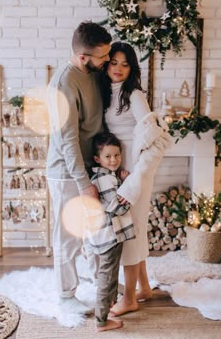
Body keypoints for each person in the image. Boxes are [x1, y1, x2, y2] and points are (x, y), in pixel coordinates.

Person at [100, 41, 172, 316]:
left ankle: (129, 297)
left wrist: (135, 180)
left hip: (136, 169)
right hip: (120, 166)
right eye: (114, 62)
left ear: (132, 68)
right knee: (135, 228)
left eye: (125, 63)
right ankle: (143, 287)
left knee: (129, 232)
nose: (118, 68)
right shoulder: (107, 92)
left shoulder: (134, 95)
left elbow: (156, 142)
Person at [46, 21, 111, 314]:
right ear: (84, 57)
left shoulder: (92, 74)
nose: (107, 60)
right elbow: (67, 141)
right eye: (103, 56)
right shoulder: (63, 83)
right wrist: (84, 182)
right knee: (68, 236)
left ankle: (100, 282)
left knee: (93, 232)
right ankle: (66, 294)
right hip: (67, 173)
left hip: (88, 167)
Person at [86, 131, 135, 331]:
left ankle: (108, 307)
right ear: (98, 159)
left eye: (117, 155)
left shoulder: (107, 176)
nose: (114, 160)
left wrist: (121, 180)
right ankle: (101, 320)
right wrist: (130, 191)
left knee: (111, 272)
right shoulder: (105, 179)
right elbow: (117, 206)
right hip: (109, 235)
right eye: (108, 156)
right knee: (107, 276)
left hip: (110, 235)